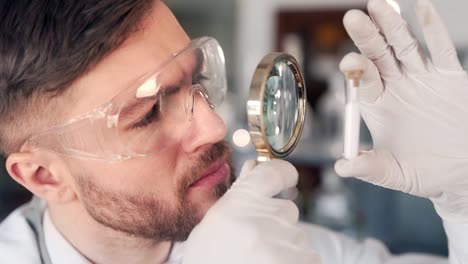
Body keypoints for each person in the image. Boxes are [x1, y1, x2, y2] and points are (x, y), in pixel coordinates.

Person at [0, 0, 466, 264]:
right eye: (146, 115)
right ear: (44, 175)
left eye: (197, 79)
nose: (214, 125)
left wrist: (463, 200)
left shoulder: (286, 250)